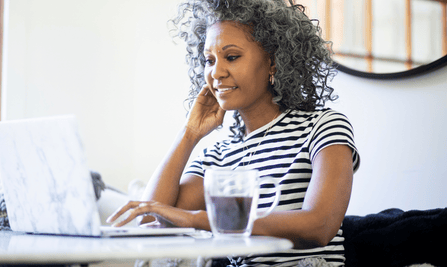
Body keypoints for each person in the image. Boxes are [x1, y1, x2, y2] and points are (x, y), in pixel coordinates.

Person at [107, 0, 360, 265]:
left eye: (231, 57)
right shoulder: (217, 157)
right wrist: (189, 133)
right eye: (209, 60)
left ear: (273, 62)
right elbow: (151, 220)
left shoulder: (323, 127)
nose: (216, 72)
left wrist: (199, 220)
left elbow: (319, 226)